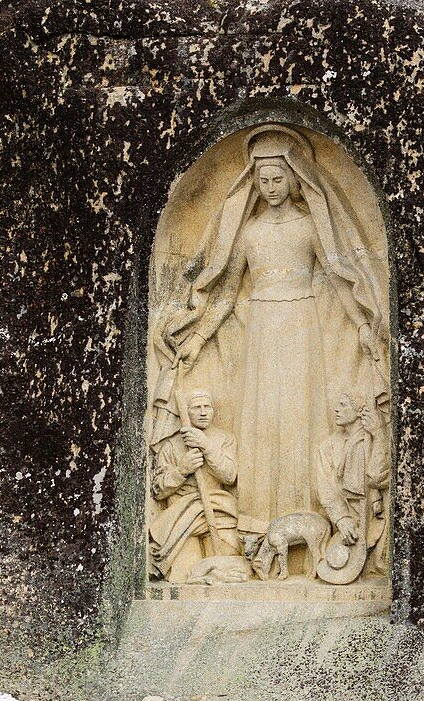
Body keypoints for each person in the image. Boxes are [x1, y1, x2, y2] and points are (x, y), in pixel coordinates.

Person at [151, 124, 388, 537]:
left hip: (301, 326)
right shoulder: (249, 231)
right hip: (261, 328)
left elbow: (337, 274)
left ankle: (308, 513)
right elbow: (224, 295)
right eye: (263, 180)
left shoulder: (310, 225)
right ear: (253, 182)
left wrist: (364, 323)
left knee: (300, 416)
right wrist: (199, 339)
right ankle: (258, 521)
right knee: (261, 416)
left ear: (294, 176)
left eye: (279, 178)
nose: (272, 186)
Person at [149, 391, 239, 581]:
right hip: (183, 521)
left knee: (230, 574)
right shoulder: (172, 445)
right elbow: (158, 490)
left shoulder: (225, 439)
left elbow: (229, 476)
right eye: (196, 408)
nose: (203, 412)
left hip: (219, 513)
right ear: (186, 413)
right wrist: (181, 470)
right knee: (185, 576)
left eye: (207, 407)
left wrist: (206, 446)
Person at [316, 391, 390, 574]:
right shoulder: (328, 445)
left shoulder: (372, 439)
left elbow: (377, 477)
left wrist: (379, 436)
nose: (336, 410)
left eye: (343, 405)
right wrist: (341, 518)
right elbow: (324, 485)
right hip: (345, 515)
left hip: (371, 513)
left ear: (359, 412)